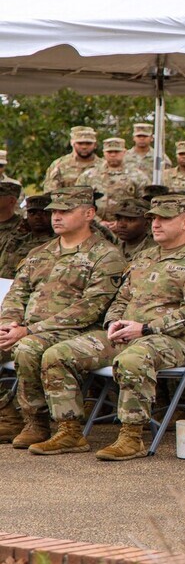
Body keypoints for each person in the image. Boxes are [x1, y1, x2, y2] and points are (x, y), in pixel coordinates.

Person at [31, 194, 185, 460]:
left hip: (172, 339)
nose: (156, 224)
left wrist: (146, 328)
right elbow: (121, 298)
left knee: (133, 359)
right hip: (127, 333)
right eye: (153, 218)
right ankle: (69, 431)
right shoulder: (143, 257)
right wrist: (113, 322)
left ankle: (132, 437)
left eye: (164, 218)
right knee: (57, 354)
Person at [0, 187, 125, 446]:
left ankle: (43, 423)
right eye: (54, 211)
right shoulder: (40, 253)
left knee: (27, 348)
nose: (56, 217)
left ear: (89, 213)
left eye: (65, 211)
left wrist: (31, 330)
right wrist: (7, 324)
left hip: (78, 331)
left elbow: (91, 307)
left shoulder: (106, 255)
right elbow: (17, 294)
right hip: (28, 330)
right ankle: (9, 416)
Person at [76, 137, 149, 222]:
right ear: (104, 153)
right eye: (109, 152)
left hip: (127, 226)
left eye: (117, 152)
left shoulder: (138, 176)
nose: (113, 155)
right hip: (93, 226)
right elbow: (79, 202)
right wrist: (97, 221)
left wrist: (122, 221)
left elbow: (144, 205)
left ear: (124, 152)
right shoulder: (88, 176)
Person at [0, 195, 55, 279]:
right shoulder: (17, 239)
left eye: (44, 213)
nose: (37, 217)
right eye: (32, 213)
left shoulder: (56, 242)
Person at [43, 126, 99, 192]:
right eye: (80, 143)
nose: (84, 147)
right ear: (72, 143)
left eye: (88, 143)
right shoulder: (59, 165)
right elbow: (50, 194)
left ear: (95, 145)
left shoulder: (104, 165)